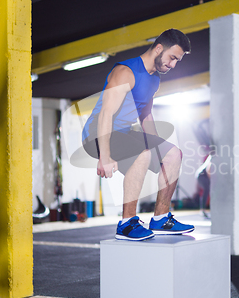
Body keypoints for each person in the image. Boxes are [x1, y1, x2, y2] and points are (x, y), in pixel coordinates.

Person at [82, 29, 195, 241]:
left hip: (124, 133)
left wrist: (157, 145)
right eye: (172, 58)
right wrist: (104, 156)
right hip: (96, 135)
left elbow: (145, 114)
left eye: (177, 61)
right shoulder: (125, 72)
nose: (172, 65)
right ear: (159, 48)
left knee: (173, 155)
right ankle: (127, 223)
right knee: (142, 154)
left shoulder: (154, 80)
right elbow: (106, 113)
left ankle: (161, 218)